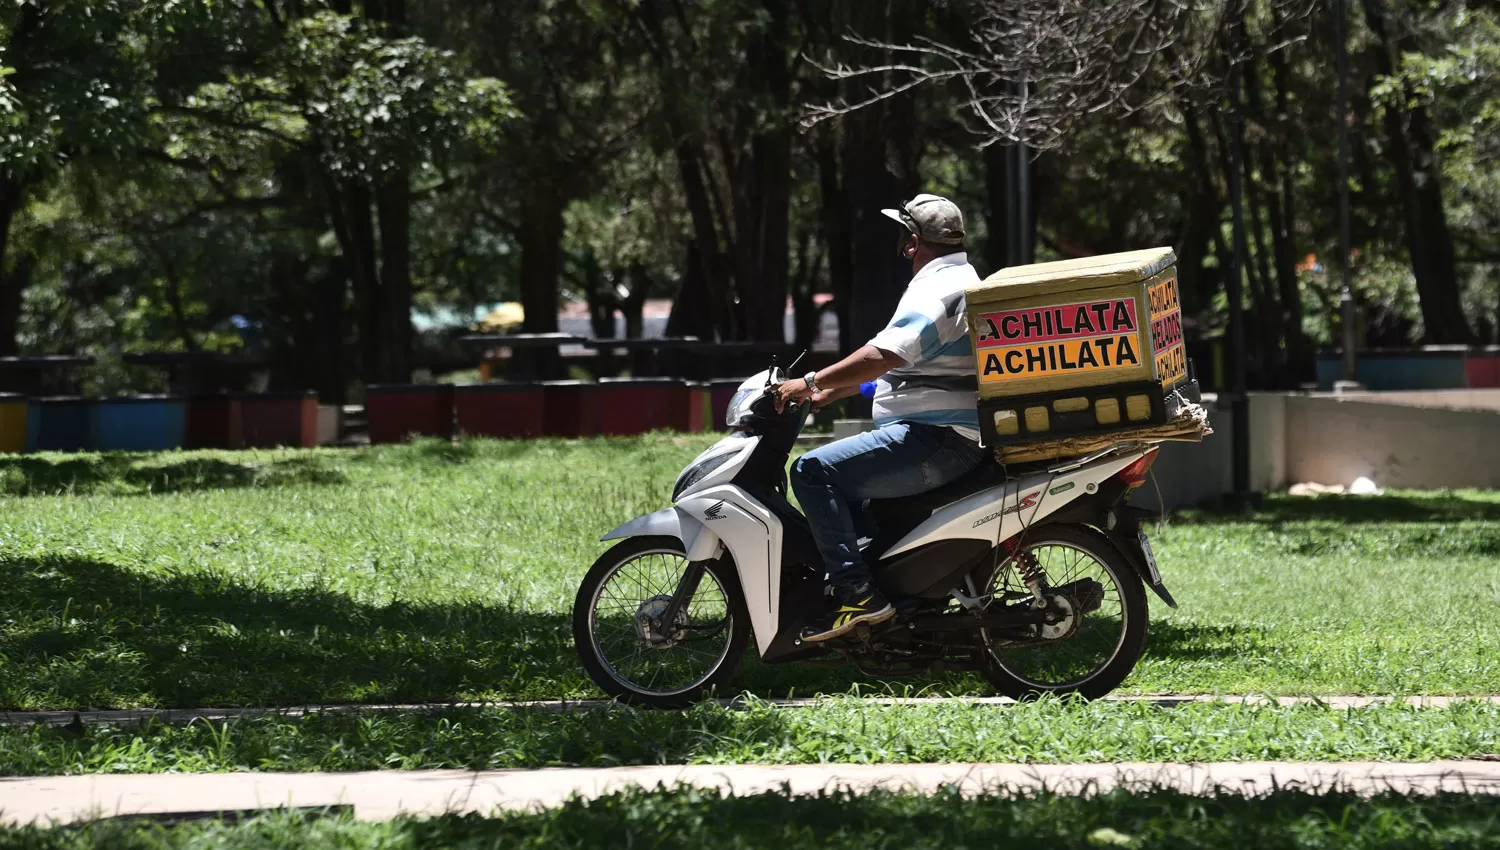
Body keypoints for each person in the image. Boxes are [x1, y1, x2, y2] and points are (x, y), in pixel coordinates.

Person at [771, 194, 988, 643]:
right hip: (941, 435)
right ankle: (879, 599)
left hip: (936, 439)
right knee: (851, 506)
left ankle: (859, 596)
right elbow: (906, 368)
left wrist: (808, 382)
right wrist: (834, 390)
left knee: (813, 472)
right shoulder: (957, 278)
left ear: (912, 242)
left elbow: (884, 354)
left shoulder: (936, 289)